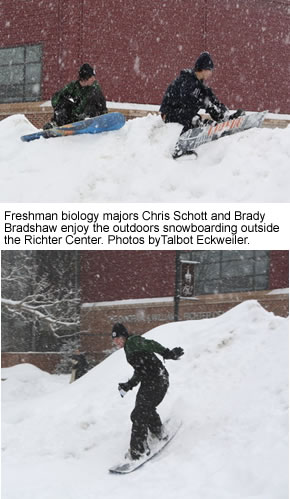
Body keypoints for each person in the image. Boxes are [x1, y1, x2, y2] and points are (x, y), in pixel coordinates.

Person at [112, 322, 184, 460]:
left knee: (139, 414)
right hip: (150, 381)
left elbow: (150, 343)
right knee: (143, 409)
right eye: (114, 340)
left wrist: (167, 353)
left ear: (124, 336)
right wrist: (129, 384)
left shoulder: (133, 341)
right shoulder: (129, 348)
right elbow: (140, 370)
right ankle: (159, 431)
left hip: (157, 379)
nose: (116, 342)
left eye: (117, 338)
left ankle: (139, 451)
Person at [160, 51, 243, 134]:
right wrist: (202, 102)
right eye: (210, 70)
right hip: (169, 114)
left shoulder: (199, 85)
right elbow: (186, 100)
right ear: (203, 69)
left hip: (185, 113)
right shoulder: (186, 80)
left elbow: (208, 99)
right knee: (195, 117)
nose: (211, 73)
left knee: (208, 98)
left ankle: (224, 117)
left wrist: (216, 109)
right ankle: (189, 135)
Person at [44, 63, 108, 129]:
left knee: (95, 95)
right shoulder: (73, 86)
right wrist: (59, 107)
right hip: (76, 117)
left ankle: (89, 119)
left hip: (91, 115)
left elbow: (85, 102)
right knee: (64, 101)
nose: (94, 79)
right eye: (91, 77)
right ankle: (57, 124)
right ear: (85, 78)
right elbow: (57, 97)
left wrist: (80, 114)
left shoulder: (94, 87)